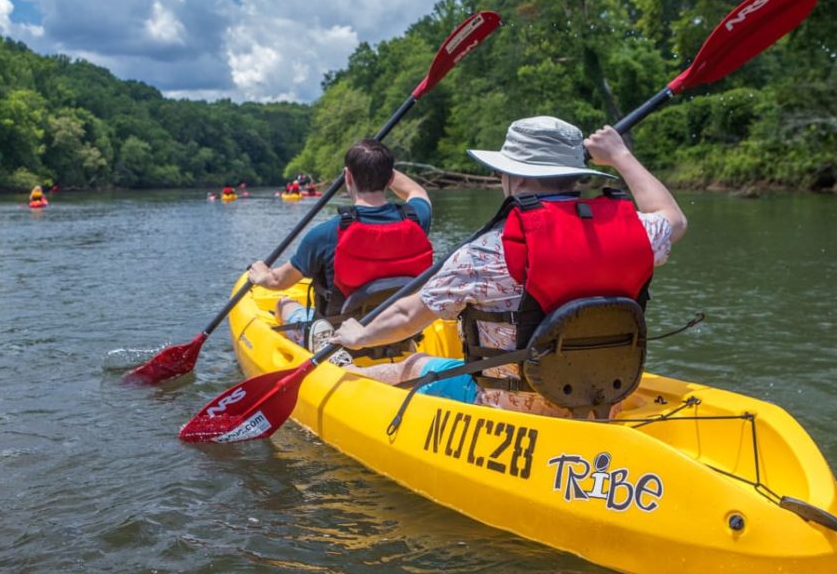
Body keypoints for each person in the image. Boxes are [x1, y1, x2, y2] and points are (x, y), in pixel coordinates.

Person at [331, 116, 687, 417]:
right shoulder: (632, 233)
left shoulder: (487, 250)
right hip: (601, 400)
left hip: (508, 408)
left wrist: (360, 336)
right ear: (572, 176)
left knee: (413, 365)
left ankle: (336, 378)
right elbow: (674, 218)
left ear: (514, 178)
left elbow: (409, 314)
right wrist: (621, 156)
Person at [249, 140, 434, 357]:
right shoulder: (416, 218)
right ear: (390, 178)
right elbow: (415, 190)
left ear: (348, 176)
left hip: (342, 336)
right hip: (397, 326)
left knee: (284, 303)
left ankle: (321, 337)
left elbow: (278, 282)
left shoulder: (325, 234)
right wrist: (380, 167)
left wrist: (261, 274)